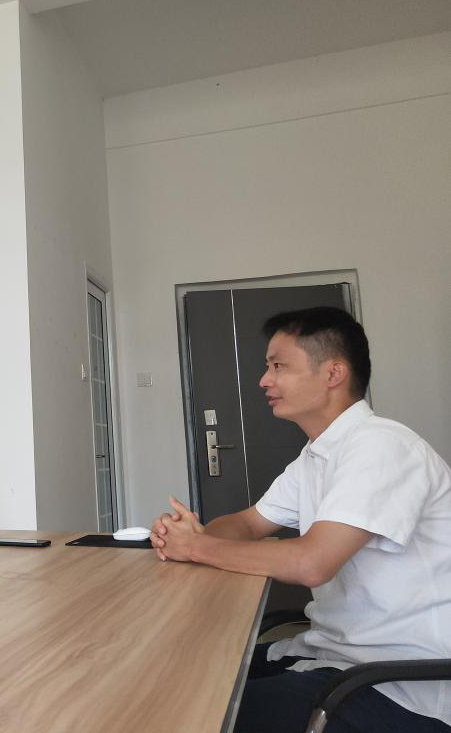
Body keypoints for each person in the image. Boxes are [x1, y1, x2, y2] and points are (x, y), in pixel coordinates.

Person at [150, 307, 451, 732]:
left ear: (333, 373)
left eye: (278, 366)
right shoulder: (316, 456)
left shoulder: (382, 446)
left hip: (401, 685)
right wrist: (195, 535)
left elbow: (313, 562)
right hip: (334, 656)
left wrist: (197, 547)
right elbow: (249, 524)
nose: (264, 380)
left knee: (190, 711)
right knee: (184, 672)